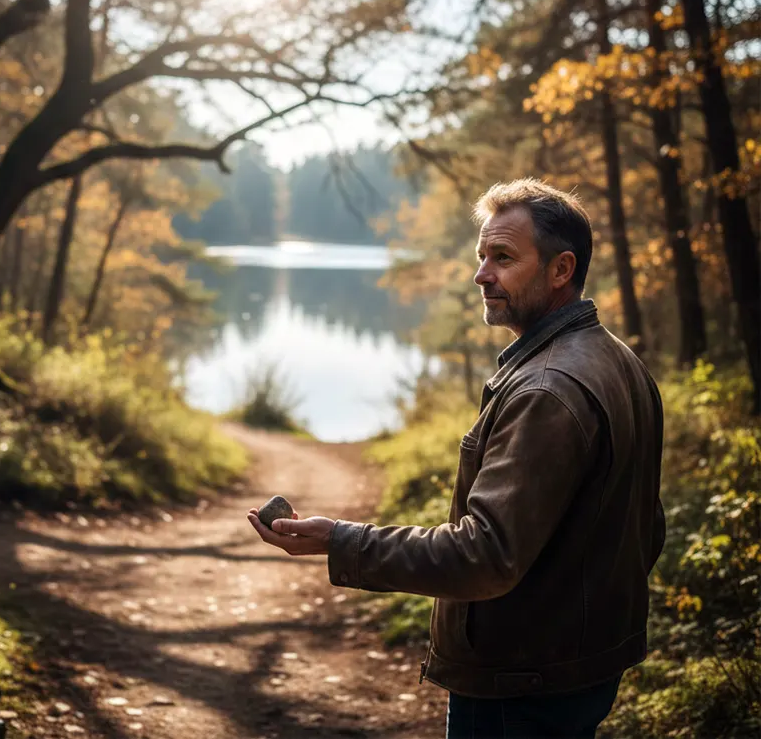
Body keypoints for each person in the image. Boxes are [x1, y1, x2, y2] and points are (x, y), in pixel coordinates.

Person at [247, 178, 667, 739]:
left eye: (503, 258)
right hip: (577, 669)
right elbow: (646, 529)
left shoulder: (547, 389)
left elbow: (484, 554)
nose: (481, 275)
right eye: (481, 256)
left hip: (519, 682)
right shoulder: (619, 359)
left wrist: (342, 540)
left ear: (561, 269)